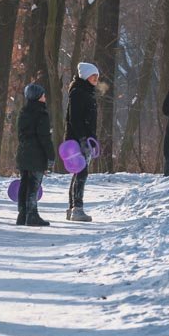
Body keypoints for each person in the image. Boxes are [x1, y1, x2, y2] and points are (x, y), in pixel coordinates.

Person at [65, 62, 100, 222]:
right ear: (85, 76)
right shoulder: (78, 93)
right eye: (93, 76)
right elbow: (75, 119)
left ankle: (72, 208)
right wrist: (83, 139)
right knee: (81, 172)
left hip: (85, 139)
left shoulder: (87, 92)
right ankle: (77, 208)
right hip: (78, 140)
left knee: (79, 172)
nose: (96, 79)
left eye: (97, 76)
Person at [15, 83, 53, 227]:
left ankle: (22, 214)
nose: (45, 97)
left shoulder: (23, 112)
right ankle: (32, 215)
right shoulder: (41, 114)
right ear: (38, 97)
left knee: (24, 184)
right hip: (36, 155)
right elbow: (44, 138)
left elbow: (20, 135)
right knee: (33, 186)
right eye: (43, 95)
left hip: (23, 153)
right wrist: (51, 155)